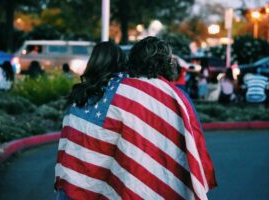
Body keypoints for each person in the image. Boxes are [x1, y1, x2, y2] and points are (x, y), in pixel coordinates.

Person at [55, 37, 216, 200]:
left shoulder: (91, 94)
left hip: (73, 182)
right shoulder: (176, 97)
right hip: (155, 182)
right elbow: (194, 141)